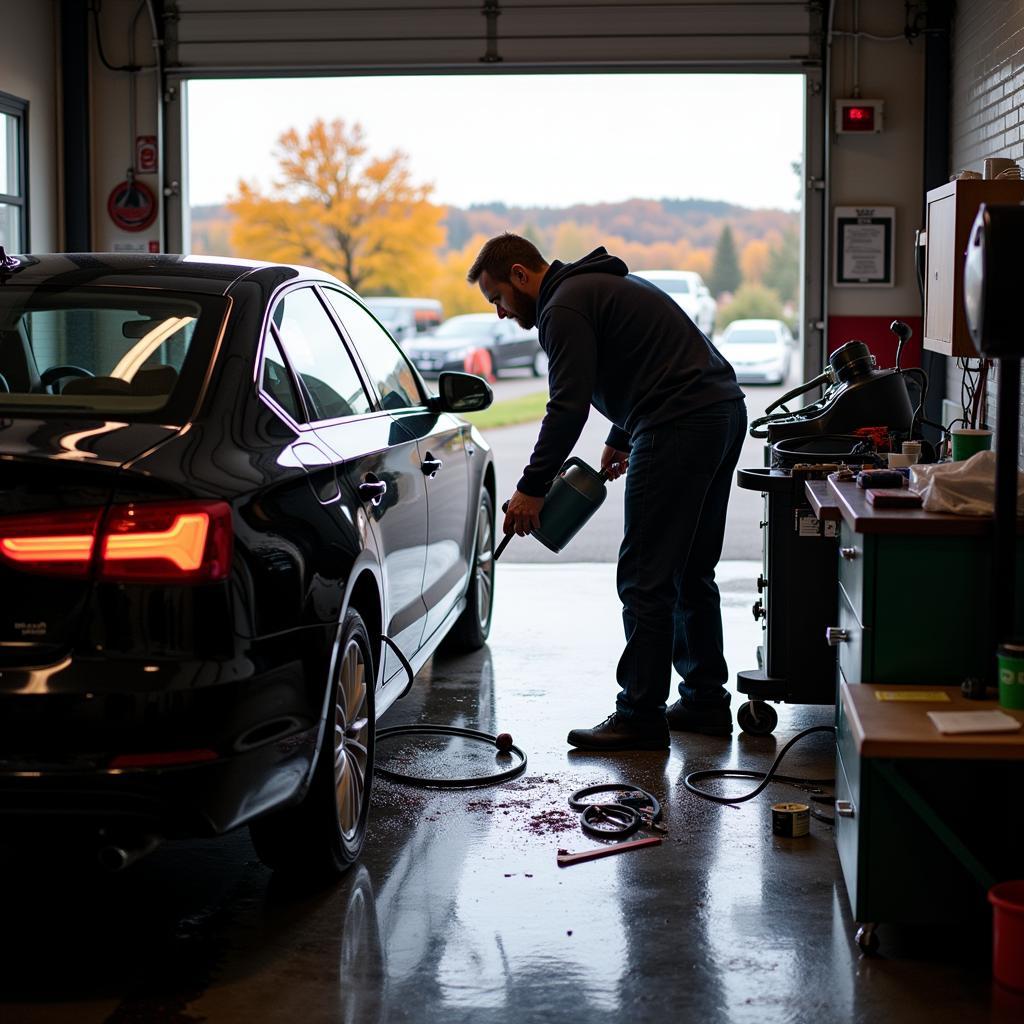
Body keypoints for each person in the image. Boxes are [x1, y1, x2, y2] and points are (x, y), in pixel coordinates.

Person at [467, 233, 747, 751]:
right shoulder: (595, 286)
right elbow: (642, 355)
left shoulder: (562, 307)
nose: (502, 314)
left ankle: (639, 715)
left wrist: (531, 488)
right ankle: (706, 701)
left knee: (644, 574)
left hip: (678, 423)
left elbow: (567, 405)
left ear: (522, 277)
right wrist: (621, 434)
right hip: (719, 412)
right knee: (688, 567)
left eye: (498, 299)